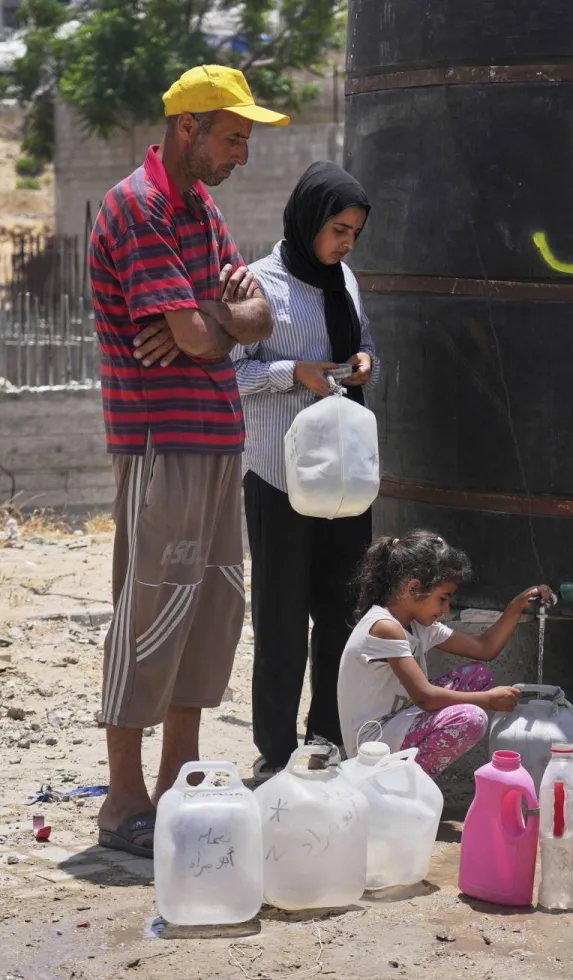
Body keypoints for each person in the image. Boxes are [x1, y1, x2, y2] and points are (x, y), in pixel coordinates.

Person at [90, 65, 286, 857]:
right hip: (159, 443)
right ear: (188, 128)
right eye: (233, 136)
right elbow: (217, 334)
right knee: (150, 610)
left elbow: (258, 313)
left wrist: (211, 315)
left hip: (215, 439)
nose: (241, 153)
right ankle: (122, 800)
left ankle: (178, 780)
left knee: (209, 613)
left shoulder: (197, 207)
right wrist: (218, 317)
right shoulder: (137, 208)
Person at [234, 162, 379, 779]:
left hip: (344, 482)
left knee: (342, 613)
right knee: (282, 615)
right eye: (338, 230)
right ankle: (275, 746)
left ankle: (326, 737)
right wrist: (295, 372)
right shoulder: (256, 284)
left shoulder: (343, 279)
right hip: (279, 478)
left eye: (354, 233)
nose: (346, 245)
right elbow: (230, 376)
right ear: (307, 220)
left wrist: (364, 361)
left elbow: (364, 343)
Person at [337, 530, 554, 778]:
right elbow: (425, 697)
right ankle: (398, 787)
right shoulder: (385, 627)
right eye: (442, 598)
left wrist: (516, 606)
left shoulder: (418, 624)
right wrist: (488, 700)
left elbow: (485, 648)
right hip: (373, 743)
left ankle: (403, 779)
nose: (446, 608)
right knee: (471, 719)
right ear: (413, 588)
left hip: (399, 720)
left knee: (477, 676)